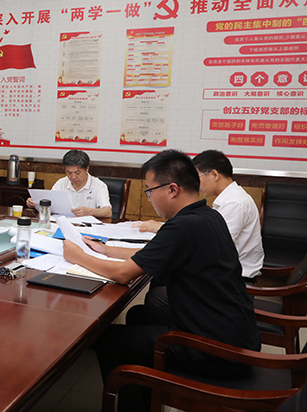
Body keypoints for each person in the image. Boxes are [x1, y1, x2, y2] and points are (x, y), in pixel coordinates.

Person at [63, 149, 260, 412]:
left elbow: (123, 274)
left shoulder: (183, 226)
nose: (149, 198)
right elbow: (152, 253)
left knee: (110, 340)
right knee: (139, 315)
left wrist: (78, 256)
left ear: (172, 189)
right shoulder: (205, 216)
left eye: (149, 190)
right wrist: (104, 250)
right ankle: (147, 392)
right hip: (233, 332)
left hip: (216, 350)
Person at [132, 149, 264, 281]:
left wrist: (161, 229)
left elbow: (210, 243)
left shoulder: (234, 203)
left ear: (214, 175)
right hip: (221, 272)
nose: (196, 182)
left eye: (197, 176)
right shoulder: (229, 198)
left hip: (234, 278)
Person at [26, 149, 111, 218]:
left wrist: (89, 211)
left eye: (77, 173)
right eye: (69, 173)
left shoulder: (99, 185)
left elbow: (108, 212)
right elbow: (50, 205)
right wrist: (34, 203)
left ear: (87, 169)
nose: (73, 177)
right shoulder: (61, 183)